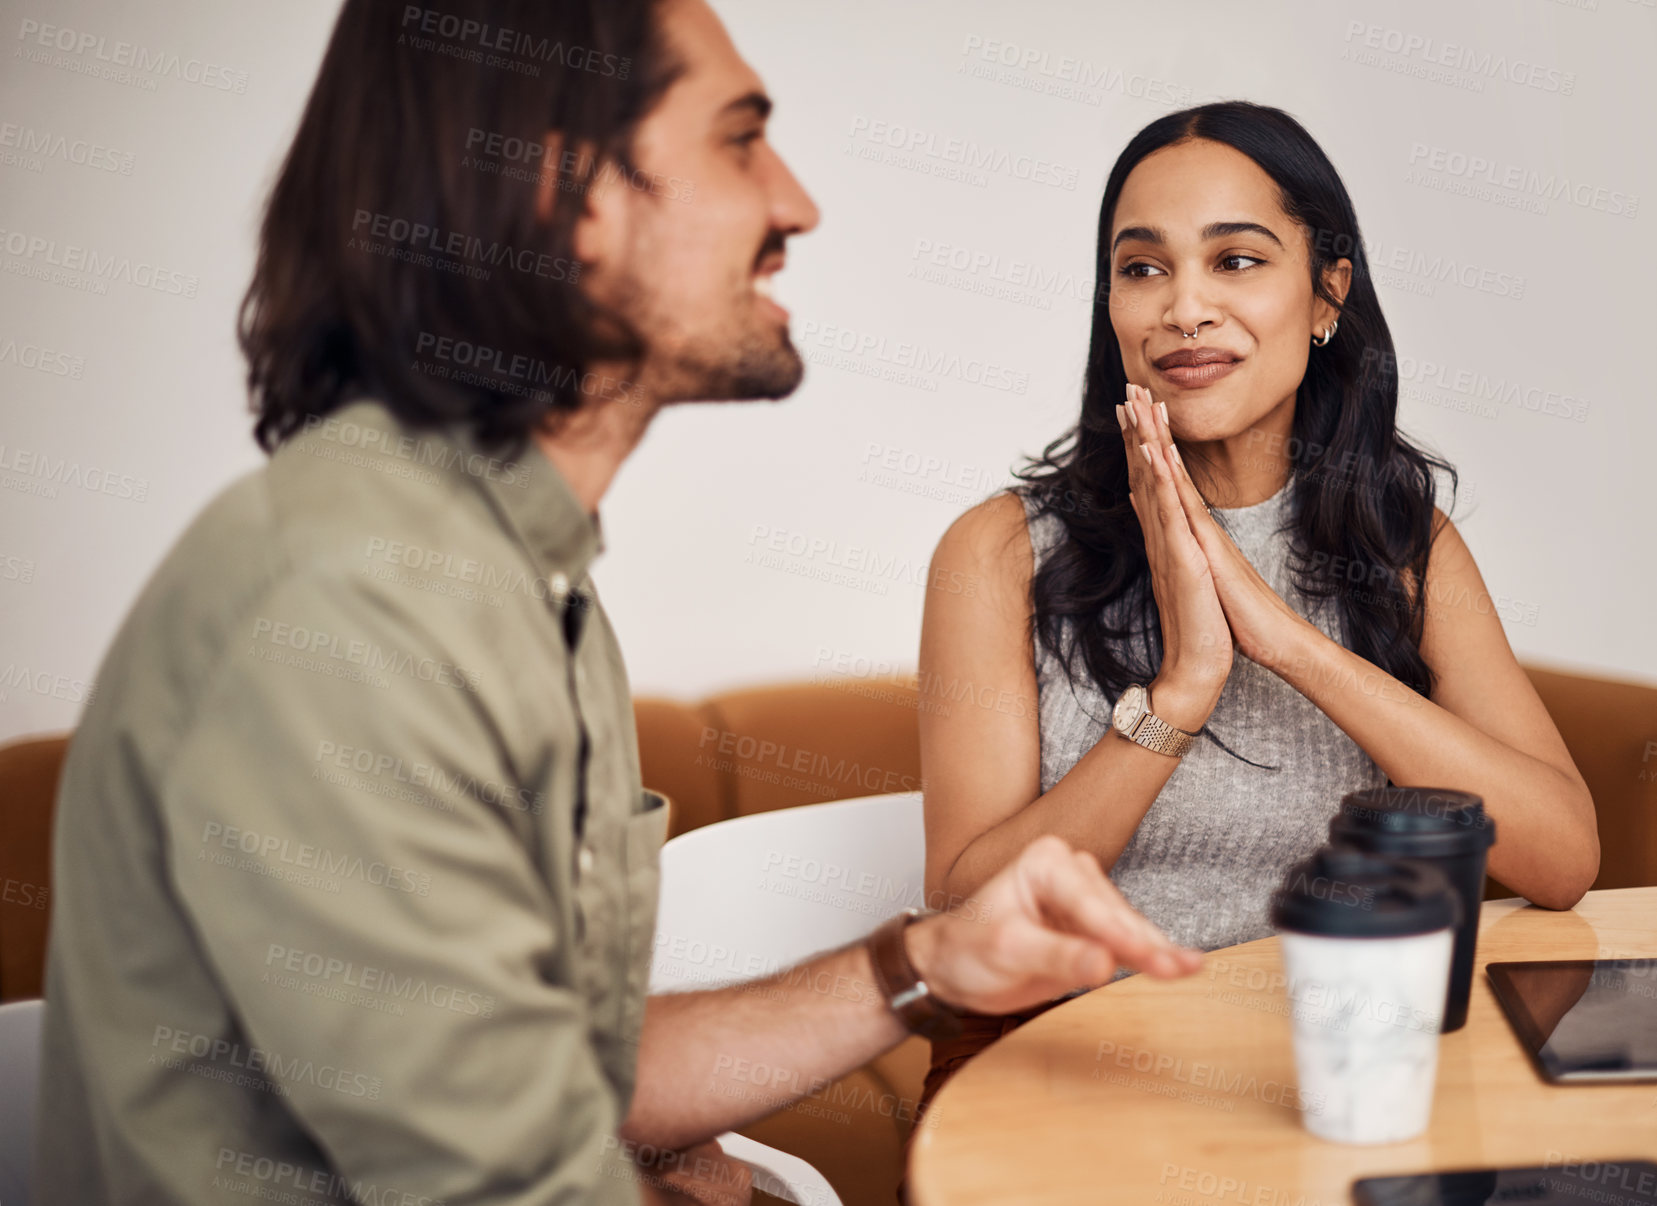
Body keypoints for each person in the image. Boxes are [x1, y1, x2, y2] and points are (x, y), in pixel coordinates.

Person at [33, 1, 1204, 1203]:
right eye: (740, 139)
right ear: (563, 190)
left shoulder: (527, 581)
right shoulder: (353, 608)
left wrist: (928, 963)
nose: (793, 202)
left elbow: (561, 1069)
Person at [915, 101, 1598, 1119]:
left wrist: (1284, 642)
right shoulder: (1002, 551)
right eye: (1142, 268)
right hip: (1062, 1067)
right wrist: (1182, 691)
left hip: (1333, 1061)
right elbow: (969, 901)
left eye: (1235, 260)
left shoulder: (1405, 548)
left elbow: (1561, 858)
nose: (1182, 308)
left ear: (1327, 293)